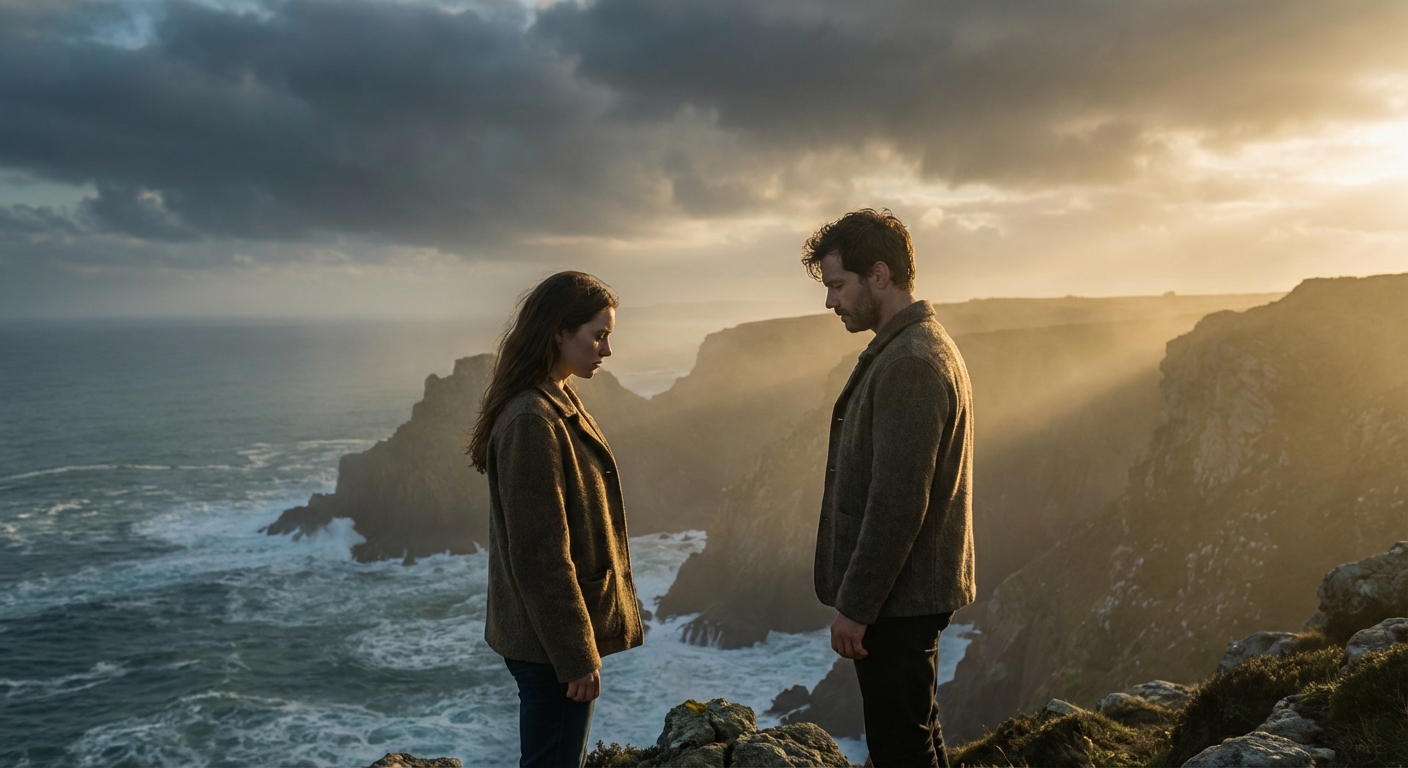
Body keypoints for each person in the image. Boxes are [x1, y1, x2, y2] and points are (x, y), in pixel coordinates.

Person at [802, 209, 976, 767]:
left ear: (879, 275)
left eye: (837, 285)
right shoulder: (921, 344)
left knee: (900, 748)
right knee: (917, 735)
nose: (831, 302)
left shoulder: (910, 363)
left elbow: (898, 502)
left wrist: (856, 607)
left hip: (899, 600)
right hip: (910, 592)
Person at [467, 271, 644, 768]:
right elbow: (540, 553)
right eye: (598, 335)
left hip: (550, 637)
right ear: (558, 333)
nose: (606, 350)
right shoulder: (532, 419)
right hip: (549, 645)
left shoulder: (553, 398)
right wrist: (576, 655)